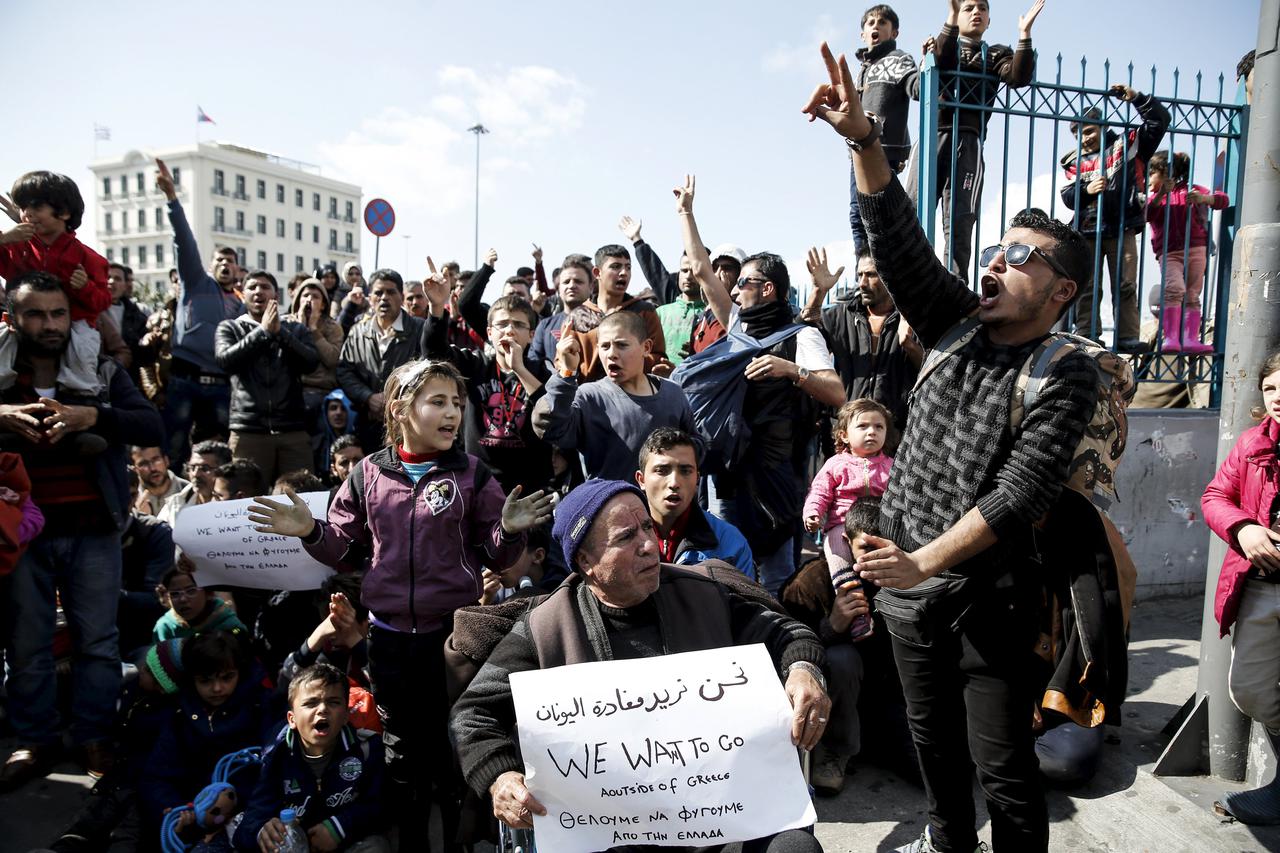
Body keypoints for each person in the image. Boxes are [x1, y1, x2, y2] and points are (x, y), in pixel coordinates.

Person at [804, 43, 1098, 851]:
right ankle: (946, 839)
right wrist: (866, 142)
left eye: (1022, 258)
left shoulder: (1064, 370)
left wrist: (926, 560)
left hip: (988, 601)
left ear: (1062, 289)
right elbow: (898, 244)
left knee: (1001, 768)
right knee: (932, 749)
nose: (998, 263)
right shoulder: (956, 319)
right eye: (999, 250)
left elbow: (1021, 493)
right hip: (905, 594)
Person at [246, 358, 553, 851]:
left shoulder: (472, 473)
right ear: (400, 409)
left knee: (453, 753)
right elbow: (344, 548)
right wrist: (310, 531)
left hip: (454, 640)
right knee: (401, 758)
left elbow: (495, 551)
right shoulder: (367, 473)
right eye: (438, 401)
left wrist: (508, 532)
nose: (453, 413)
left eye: (456, 403)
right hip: (387, 641)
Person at [450, 478, 829, 853]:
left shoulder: (707, 595)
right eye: (626, 537)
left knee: (794, 847)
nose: (649, 545)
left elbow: (786, 634)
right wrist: (500, 777)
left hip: (724, 823)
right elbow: (472, 714)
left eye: (647, 526)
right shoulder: (547, 628)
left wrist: (803, 670)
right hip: (609, 836)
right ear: (586, 562)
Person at [0, 270, 165, 789]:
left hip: (94, 527)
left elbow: (150, 425)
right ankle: (36, 739)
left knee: (97, 640)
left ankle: (95, 735)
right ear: (13, 317)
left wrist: (89, 417)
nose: (48, 324)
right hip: (21, 532)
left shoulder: (97, 366)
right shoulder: (2, 369)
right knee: (26, 644)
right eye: (35, 314)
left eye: (57, 313)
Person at [675, 176, 845, 595]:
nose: (733, 288)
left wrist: (790, 371)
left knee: (775, 578)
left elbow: (837, 393)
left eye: (744, 282)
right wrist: (686, 213)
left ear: (767, 288)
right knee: (726, 573)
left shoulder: (800, 337)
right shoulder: (736, 323)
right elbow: (700, 270)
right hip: (727, 476)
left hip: (775, 479)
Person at [909, 0, 1043, 282]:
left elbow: (1019, 76)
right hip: (934, 137)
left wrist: (1024, 34)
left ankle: (955, 284)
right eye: (968, 8)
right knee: (914, 214)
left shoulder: (995, 54)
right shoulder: (943, 44)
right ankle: (911, 280)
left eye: (982, 8)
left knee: (960, 219)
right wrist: (950, 18)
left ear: (990, 19)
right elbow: (941, 63)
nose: (976, 13)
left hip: (969, 142)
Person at [1203, 350, 1280, 825]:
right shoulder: (1252, 444)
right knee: (1249, 690)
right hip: (1262, 587)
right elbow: (1216, 496)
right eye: (1271, 388)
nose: (1279, 398)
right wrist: (1243, 528)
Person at [1058, 86, 1170, 351]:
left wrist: (1138, 99)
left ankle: (1127, 337)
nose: (1084, 139)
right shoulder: (1074, 162)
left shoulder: (1128, 144)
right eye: (1078, 134)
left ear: (1101, 127)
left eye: (1088, 131)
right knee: (1086, 286)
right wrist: (1086, 190)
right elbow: (1067, 196)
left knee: (1126, 285)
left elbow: (1160, 121)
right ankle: (1087, 335)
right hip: (1086, 230)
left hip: (1123, 227)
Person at [422, 273, 554, 495]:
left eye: (518, 325)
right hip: (477, 482)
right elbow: (434, 354)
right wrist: (437, 307)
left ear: (531, 335)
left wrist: (519, 369)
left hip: (531, 486)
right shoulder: (475, 364)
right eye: (502, 324)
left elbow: (552, 412)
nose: (509, 330)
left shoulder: (542, 370)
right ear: (490, 333)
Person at [236, 663, 389, 853]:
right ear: (292, 719)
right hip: (296, 846)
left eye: (333, 702)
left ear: (345, 716)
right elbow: (251, 820)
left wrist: (339, 827)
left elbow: (383, 805)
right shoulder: (276, 754)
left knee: (376, 847)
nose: (322, 709)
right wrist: (262, 831)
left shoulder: (367, 748)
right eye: (311, 703)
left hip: (346, 841)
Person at [137, 631, 276, 839]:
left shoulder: (261, 707)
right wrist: (173, 809)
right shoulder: (179, 716)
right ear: (192, 679)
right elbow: (157, 775)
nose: (217, 688)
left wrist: (233, 810)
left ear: (240, 671)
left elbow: (272, 771)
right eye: (205, 680)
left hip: (248, 816)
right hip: (190, 813)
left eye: (227, 677)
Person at [154, 158, 247, 464]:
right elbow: (184, 241)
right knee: (175, 446)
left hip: (221, 386)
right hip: (184, 381)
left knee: (218, 452)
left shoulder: (241, 303)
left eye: (230, 261)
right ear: (209, 266)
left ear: (238, 269)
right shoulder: (195, 282)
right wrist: (172, 200)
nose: (225, 264)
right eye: (219, 259)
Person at [535, 311, 697, 481]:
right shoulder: (590, 397)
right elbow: (550, 427)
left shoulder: (673, 394)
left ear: (646, 347)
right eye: (605, 346)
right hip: (610, 504)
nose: (611, 354)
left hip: (666, 505)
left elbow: (697, 448)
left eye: (622, 345)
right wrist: (566, 373)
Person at [0, 170, 111, 395]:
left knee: (82, 358)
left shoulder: (87, 257)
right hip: (18, 326)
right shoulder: (15, 246)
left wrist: (85, 287)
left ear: (65, 212)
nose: (26, 215)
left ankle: (84, 400)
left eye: (36, 207)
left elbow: (102, 302)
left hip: (74, 327)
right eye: (23, 208)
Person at [214, 270, 318, 485]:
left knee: (303, 497)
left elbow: (310, 363)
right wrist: (263, 332)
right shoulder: (230, 327)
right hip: (248, 430)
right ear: (243, 294)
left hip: (292, 429)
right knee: (245, 500)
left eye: (265, 287)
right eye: (252, 287)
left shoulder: (295, 329)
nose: (258, 291)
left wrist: (280, 333)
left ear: (275, 296)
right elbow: (225, 361)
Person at [801, 247, 920, 431]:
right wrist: (818, 292)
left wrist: (910, 345)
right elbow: (803, 339)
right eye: (859, 275)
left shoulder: (912, 319)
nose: (862, 283)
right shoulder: (840, 316)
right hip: (844, 434)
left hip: (894, 437)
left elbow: (934, 374)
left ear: (891, 276)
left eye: (871, 275)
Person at [803, 398, 893, 640]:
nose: (872, 432)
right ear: (844, 435)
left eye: (879, 427)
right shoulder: (835, 464)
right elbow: (819, 491)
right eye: (862, 426)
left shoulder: (891, 466)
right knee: (838, 556)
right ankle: (857, 613)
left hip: (878, 525)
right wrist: (813, 512)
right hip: (841, 526)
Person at [848, 4, 920, 255]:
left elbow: (915, 88)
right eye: (870, 23)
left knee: (875, 216)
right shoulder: (862, 71)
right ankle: (865, 271)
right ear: (862, 34)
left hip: (882, 151)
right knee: (857, 215)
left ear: (894, 32)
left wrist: (931, 65)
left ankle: (878, 272)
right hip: (858, 149)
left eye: (882, 22)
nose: (875, 26)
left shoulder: (898, 59)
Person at [635, 426, 754, 575]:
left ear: (697, 478)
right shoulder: (617, 539)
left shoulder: (731, 544)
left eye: (685, 471)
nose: (674, 483)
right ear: (641, 480)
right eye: (662, 471)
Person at [1145, 150, 1228, 354]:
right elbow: (1147, 214)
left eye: (1151, 173)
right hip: (1169, 251)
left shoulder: (1194, 190)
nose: (1148, 179)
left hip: (1196, 247)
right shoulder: (1156, 197)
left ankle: (1190, 338)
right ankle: (1172, 337)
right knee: (1174, 288)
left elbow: (1223, 200)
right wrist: (1162, 194)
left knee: (1192, 293)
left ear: (1165, 172)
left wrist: (1204, 199)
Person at [336, 269, 425, 452]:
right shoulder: (357, 331)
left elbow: (428, 372)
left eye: (391, 292)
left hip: (409, 425)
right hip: (368, 425)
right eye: (378, 292)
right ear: (369, 297)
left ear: (401, 296)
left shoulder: (420, 329)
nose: (384, 298)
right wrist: (367, 397)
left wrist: (397, 400)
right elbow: (344, 371)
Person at [562, 244, 672, 380]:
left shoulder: (644, 311)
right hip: (588, 395)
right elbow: (562, 365)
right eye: (616, 266)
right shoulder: (577, 316)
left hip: (634, 396)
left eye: (628, 267)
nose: (624, 272)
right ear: (597, 273)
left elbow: (657, 356)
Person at [618, 215, 707, 364]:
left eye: (695, 271)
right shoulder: (660, 313)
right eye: (684, 270)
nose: (689, 276)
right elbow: (656, 274)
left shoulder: (714, 314)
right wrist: (637, 241)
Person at [286, 276, 345, 441]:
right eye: (305, 295)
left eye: (315, 296)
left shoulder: (333, 327)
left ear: (324, 303)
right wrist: (299, 326)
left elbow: (332, 359)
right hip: (291, 393)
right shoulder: (285, 323)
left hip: (321, 394)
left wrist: (313, 329)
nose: (309, 300)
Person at [528, 253, 595, 371]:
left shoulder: (602, 323)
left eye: (578, 281)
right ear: (558, 288)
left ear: (591, 287)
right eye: (566, 282)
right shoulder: (545, 326)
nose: (572, 285)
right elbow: (534, 363)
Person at [152, 563, 247, 643]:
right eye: (175, 594)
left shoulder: (226, 622)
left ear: (208, 593)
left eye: (191, 591)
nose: (183, 599)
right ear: (167, 598)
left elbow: (240, 636)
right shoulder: (165, 627)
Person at [158, 439, 232, 530]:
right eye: (192, 468)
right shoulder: (175, 504)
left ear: (223, 471)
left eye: (204, 468)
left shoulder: (233, 509)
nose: (196, 474)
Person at [130, 444, 189, 516]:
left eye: (156, 460)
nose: (152, 468)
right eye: (144, 464)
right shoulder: (130, 500)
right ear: (135, 470)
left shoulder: (188, 491)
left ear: (166, 460)